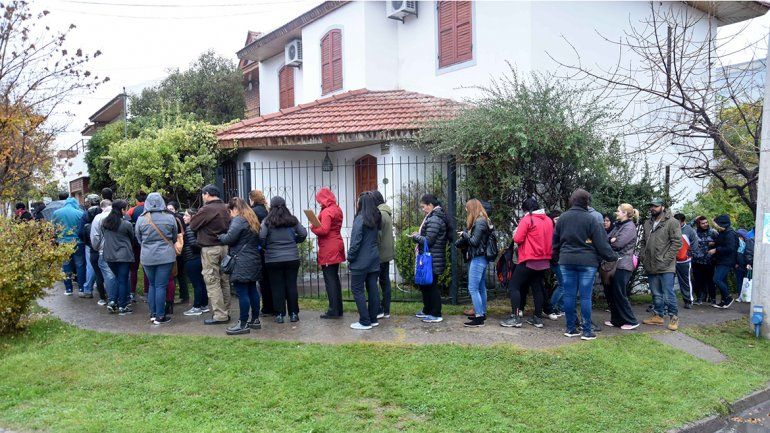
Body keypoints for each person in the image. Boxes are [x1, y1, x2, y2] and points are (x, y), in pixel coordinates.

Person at [552, 189, 617, 340]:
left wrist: (556, 258)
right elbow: (601, 243)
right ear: (587, 202)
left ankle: (570, 329)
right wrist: (612, 257)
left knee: (569, 295)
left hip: (566, 261)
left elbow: (555, 242)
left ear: (572, 201)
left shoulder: (562, 218)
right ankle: (587, 331)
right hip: (587, 262)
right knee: (585, 297)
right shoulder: (591, 219)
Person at [501, 197, 553, 329]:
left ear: (525, 209)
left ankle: (515, 317)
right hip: (544, 260)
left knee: (514, 286)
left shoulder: (527, 219)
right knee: (537, 287)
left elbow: (518, 238)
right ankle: (537, 318)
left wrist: (516, 232)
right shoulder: (548, 220)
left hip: (529, 258)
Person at [219, 197, 263, 335]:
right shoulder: (252, 219)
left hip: (241, 261)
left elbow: (229, 239)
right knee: (252, 290)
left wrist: (221, 236)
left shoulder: (238, 220)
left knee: (242, 293)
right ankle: (255, 320)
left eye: (230, 211)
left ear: (235, 209)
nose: (230, 214)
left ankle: (243, 323)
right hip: (253, 259)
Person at [259, 196, 307, 323]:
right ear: (285, 205)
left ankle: (279, 314)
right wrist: (294, 241)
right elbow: (303, 233)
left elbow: (262, 238)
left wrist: (267, 247)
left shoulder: (266, 221)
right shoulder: (292, 220)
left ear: (271, 207)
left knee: (277, 287)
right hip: (292, 258)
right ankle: (293, 314)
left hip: (273, 259)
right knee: (291, 286)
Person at [189, 185, 232, 325]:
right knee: (224, 280)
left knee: (212, 281)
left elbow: (193, 224)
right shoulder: (226, 207)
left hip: (210, 248)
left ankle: (220, 315)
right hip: (225, 246)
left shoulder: (207, 209)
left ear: (207, 194)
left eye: (203, 195)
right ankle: (226, 311)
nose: (203, 197)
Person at [135, 193, 178, 325]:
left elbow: (138, 238)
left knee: (152, 285)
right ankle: (160, 316)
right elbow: (174, 236)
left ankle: (153, 314)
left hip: (147, 256)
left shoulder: (141, 219)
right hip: (165, 256)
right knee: (161, 285)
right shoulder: (170, 218)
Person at [640, 198, 682, 331]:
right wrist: (642, 256)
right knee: (656, 293)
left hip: (666, 265)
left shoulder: (672, 222)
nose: (652, 208)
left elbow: (677, 243)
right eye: (651, 206)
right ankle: (658, 316)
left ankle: (674, 317)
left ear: (663, 207)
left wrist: (666, 259)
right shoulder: (647, 223)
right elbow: (643, 241)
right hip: (651, 264)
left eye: (656, 206)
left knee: (668, 293)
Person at [411, 194, 449, 323]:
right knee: (425, 285)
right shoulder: (434, 217)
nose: (422, 209)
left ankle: (436, 313)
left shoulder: (434, 219)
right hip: (432, 257)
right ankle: (427, 309)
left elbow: (429, 240)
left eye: (423, 206)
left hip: (432, 258)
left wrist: (415, 237)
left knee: (431, 286)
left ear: (430, 205)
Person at [347, 192, 382, 330]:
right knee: (373, 288)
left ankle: (365, 321)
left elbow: (355, 242)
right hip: (374, 259)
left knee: (357, 289)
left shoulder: (360, 219)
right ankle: (373, 319)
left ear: (361, 203)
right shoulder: (375, 218)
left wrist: (350, 257)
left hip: (361, 260)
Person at [310, 187, 346, 319]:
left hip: (328, 247)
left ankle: (333, 310)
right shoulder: (337, 209)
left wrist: (313, 227)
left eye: (320, 200)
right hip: (337, 243)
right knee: (334, 279)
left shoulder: (326, 212)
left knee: (329, 280)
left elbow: (324, 230)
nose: (319, 203)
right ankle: (338, 309)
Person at [604, 203, 640, 330]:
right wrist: (611, 239)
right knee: (612, 293)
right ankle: (616, 320)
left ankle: (631, 321)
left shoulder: (629, 227)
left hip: (624, 264)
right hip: (616, 264)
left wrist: (613, 240)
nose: (616, 213)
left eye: (618, 211)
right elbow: (606, 238)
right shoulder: (619, 226)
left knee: (619, 293)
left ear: (625, 213)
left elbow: (618, 244)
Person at [456, 199, 491, 327]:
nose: (466, 210)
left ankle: (479, 317)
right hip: (480, 258)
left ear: (472, 208)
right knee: (481, 287)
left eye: (467, 208)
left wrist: (464, 235)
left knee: (473, 288)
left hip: (478, 258)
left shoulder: (480, 221)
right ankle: (481, 312)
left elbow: (475, 241)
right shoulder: (483, 220)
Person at [98, 200, 135, 315]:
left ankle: (113, 301)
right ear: (122, 210)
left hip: (109, 255)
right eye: (125, 209)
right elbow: (132, 238)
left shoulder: (105, 223)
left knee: (117, 278)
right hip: (123, 256)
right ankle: (122, 306)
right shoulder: (126, 224)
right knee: (122, 280)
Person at [52, 197, 86, 296]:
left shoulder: (56, 213)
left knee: (66, 265)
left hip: (62, 242)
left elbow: (53, 229)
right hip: (78, 242)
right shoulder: (80, 213)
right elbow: (82, 229)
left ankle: (68, 289)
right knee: (80, 265)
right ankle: (81, 288)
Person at [249, 189, 273, 316]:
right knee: (271, 279)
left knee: (263, 280)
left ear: (252, 199)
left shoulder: (253, 212)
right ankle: (275, 306)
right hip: (271, 247)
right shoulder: (268, 210)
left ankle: (267, 307)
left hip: (259, 247)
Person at [181, 208, 210, 316]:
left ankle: (197, 306)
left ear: (192, 217)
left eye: (186, 215)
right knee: (202, 283)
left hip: (192, 258)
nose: (184, 217)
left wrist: (195, 251)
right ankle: (204, 304)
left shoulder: (189, 228)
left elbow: (193, 243)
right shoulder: (199, 227)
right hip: (200, 258)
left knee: (197, 283)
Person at [79, 194, 105, 302]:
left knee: (91, 267)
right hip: (104, 243)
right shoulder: (103, 212)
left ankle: (88, 290)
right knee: (104, 267)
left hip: (90, 244)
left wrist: (85, 241)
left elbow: (80, 231)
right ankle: (105, 289)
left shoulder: (86, 214)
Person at [90, 199, 117, 307]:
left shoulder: (98, 218)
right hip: (119, 250)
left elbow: (95, 236)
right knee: (121, 274)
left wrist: (96, 248)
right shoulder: (119, 216)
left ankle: (112, 300)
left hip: (104, 250)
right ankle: (124, 299)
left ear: (102, 207)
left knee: (109, 276)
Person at [373, 191, 394, 319]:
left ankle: (379, 309)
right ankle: (386, 309)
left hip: (379, 253)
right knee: (385, 282)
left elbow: (378, 236)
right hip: (387, 253)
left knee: (374, 282)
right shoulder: (387, 212)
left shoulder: (379, 214)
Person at [709, 214, 737, 309]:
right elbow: (723, 243)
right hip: (721, 259)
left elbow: (730, 248)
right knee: (723, 280)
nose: (715, 226)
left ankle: (728, 298)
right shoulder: (723, 232)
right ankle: (723, 301)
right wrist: (714, 243)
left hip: (727, 261)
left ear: (722, 224)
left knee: (717, 279)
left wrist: (716, 249)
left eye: (716, 224)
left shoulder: (730, 233)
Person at [691, 216, 718, 305]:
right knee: (698, 281)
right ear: (699, 224)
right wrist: (694, 220)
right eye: (703, 223)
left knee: (711, 281)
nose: (705, 224)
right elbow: (684, 227)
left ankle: (713, 298)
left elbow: (721, 243)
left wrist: (715, 244)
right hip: (697, 261)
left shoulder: (713, 232)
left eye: (706, 222)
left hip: (709, 261)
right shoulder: (694, 232)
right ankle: (699, 298)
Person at [167, 200, 190, 305]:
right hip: (182, 249)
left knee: (178, 273)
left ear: (175, 209)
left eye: (171, 208)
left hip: (177, 249)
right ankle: (183, 295)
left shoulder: (174, 218)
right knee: (180, 273)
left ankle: (181, 296)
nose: (169, 210)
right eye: (168, 208)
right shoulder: (179, 217)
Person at [674, 213, 697, 309]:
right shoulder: (672, 229)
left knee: (685, 281)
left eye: (677, 222)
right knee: (667, 282)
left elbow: (695, 243)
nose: (675, 224)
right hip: (671, 260)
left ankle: (688, 300)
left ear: (683, 221)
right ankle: (665, 303)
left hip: (684, 261)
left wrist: (689, 254)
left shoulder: (689, 230)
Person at [128, 191, 147, 303]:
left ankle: (132, 292)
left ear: (136, 200)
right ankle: (147, 291)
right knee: (146, 268)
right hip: (146, 243)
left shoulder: (132, 210)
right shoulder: (148, 210)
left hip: (134, 244)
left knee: (133, 269)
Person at [548, 210, 565, 317]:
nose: (558, 221)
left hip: (559, 259)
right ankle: (552, 307)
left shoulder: (559, 230)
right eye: (556, 219)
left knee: (564, 284)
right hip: (556, 260)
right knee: (563, 285)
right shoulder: (552, 231)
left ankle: (559, 307)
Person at [736, 229, 755, 296]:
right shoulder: (742, 243)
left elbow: (748, 254)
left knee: (744, 280)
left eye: (740, 236)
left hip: (745, 265)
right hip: (742, 265)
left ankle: (743, 295)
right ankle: (742, 295)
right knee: (743, 280)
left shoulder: (745, 243)